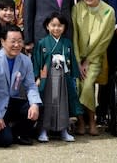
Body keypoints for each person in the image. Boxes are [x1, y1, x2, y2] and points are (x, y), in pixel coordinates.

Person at [0, 25, 42, 147]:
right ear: (2, 41)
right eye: (13, 41)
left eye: (19, 41)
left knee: (36, 105)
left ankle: (18, 133)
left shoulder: (25, 60)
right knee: (5, 141)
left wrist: (34, 104)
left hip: (12, 102)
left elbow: (31, 85)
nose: (17, 45)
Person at [72, 0, 115, 135]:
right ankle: (81, 122)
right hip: (77, 57)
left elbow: (105, 40)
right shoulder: (77, 8)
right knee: (76, 85)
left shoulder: (108, 11)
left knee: (88, 85)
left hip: (95, 58)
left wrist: (88, 61)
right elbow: (74, 36)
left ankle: (92, 120)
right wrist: (77, 61)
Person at [33, 12, 81, 143]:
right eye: (53, 25)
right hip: (46, 78)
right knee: (46, 103)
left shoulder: (67, 43)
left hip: (64, 78)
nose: (56, 28)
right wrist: (37, 77)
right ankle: (43, 130)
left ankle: (64, 130)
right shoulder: (42, 43)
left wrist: (73, 77)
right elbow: (37, 61)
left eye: (60, 25)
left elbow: (72, 61)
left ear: (64, 27)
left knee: (63, 104)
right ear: (47, 26)